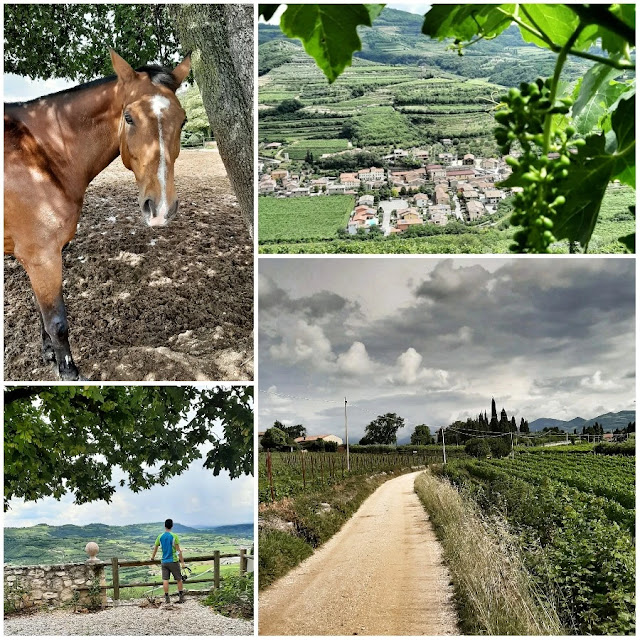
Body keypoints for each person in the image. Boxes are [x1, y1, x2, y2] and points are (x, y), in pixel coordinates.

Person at [151, 518, 186, 603]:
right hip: (173, 561)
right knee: (179, 579)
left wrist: (152, 558)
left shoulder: (160, 537)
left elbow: (155, 548)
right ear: (172, 526)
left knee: (165, 580)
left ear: (164, 525)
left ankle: (167, 598)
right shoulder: (174, 536)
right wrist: (182, 563)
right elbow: (178, 551)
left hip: (164, 561)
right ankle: (181, 598)